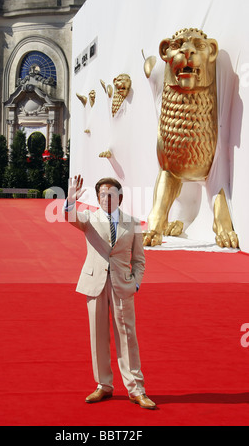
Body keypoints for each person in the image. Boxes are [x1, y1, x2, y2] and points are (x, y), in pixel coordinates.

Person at [63, 174, 156, 409]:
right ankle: (103, 386)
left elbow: (139, 260)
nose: (106, 198)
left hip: (122, 285)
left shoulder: (133, 223)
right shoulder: (88, 219)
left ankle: (136, 389)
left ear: (120, 197)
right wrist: (70, 201)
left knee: (128, 337)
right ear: (97, 197)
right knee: (98, 336)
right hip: (95, 283)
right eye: (102, 194)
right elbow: (70, 217)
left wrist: (135, 282)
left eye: (111, 194)